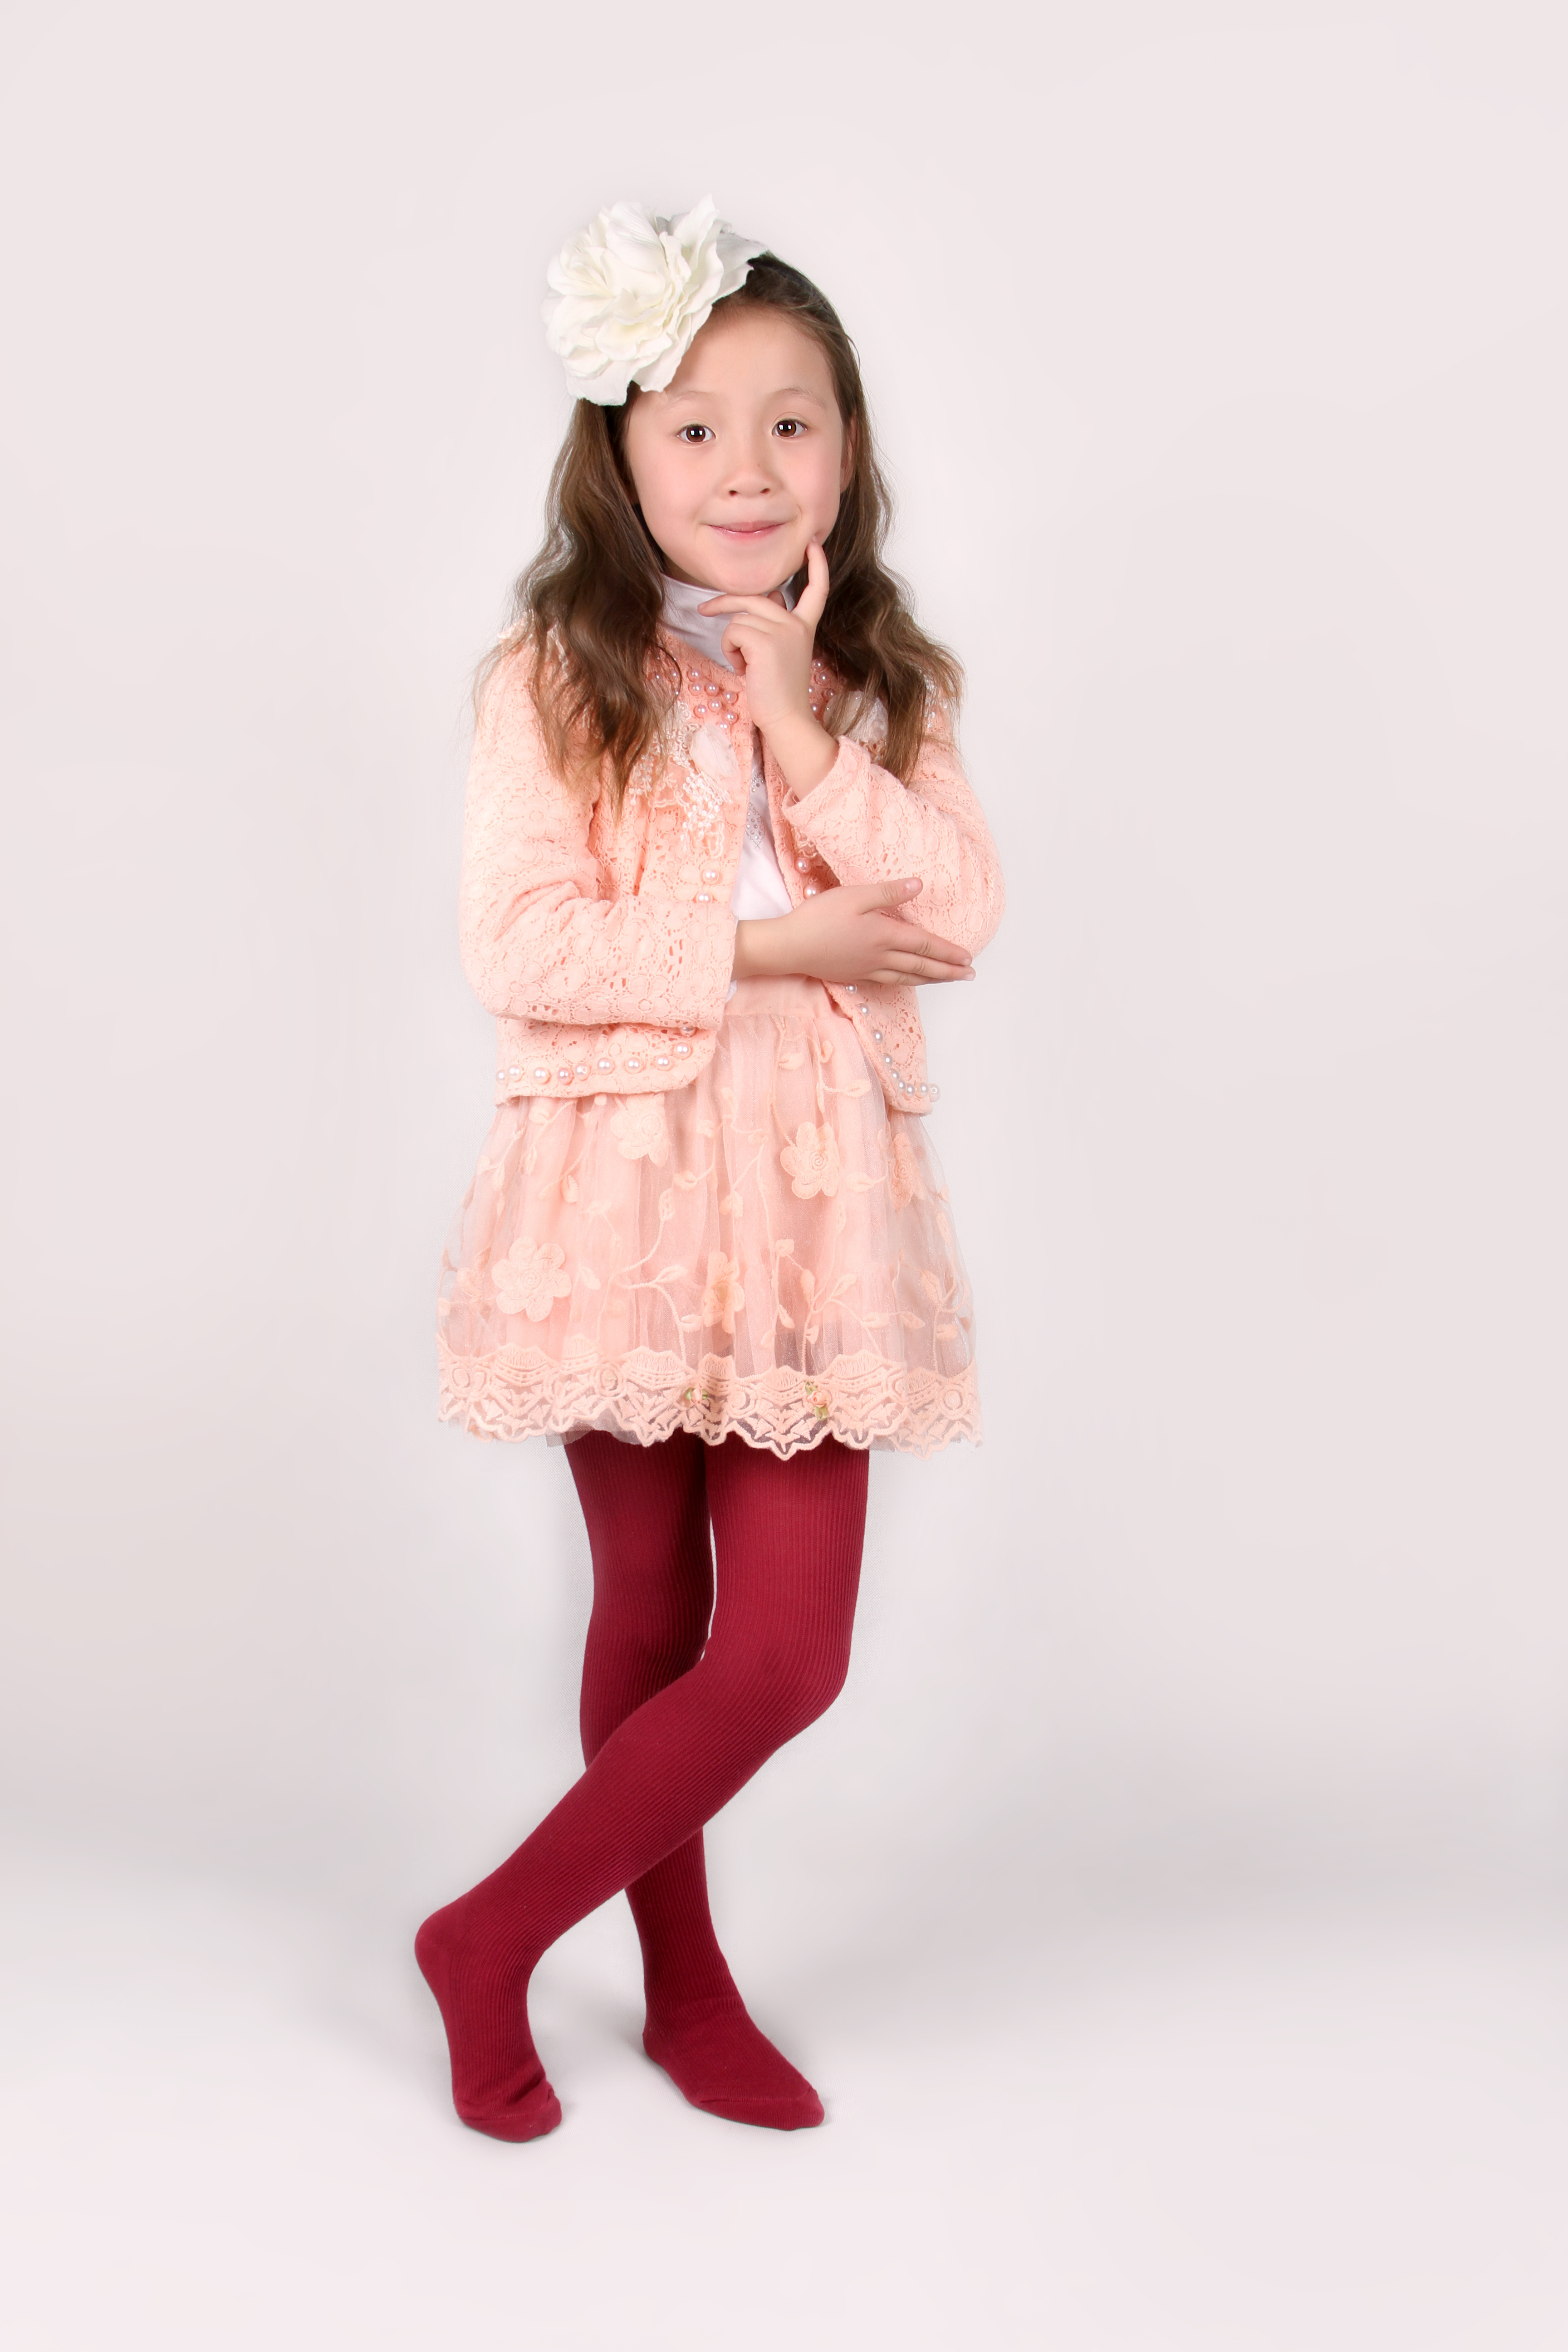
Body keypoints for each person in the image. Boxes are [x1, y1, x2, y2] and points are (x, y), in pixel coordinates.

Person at [418, 199, 1004, 2140]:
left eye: (790, 423)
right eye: (695, 427)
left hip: (821, 1212)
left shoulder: (884, 685)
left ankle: (489, 1936)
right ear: (621, 451)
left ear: (847, 447)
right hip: (623, 1193)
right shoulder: (553, 674)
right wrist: (776, 947)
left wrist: (802, 732)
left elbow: (956, 908)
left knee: (783, 1655)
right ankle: (682, 1983)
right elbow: (523, 946)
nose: (746, 468)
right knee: (652, 1615)